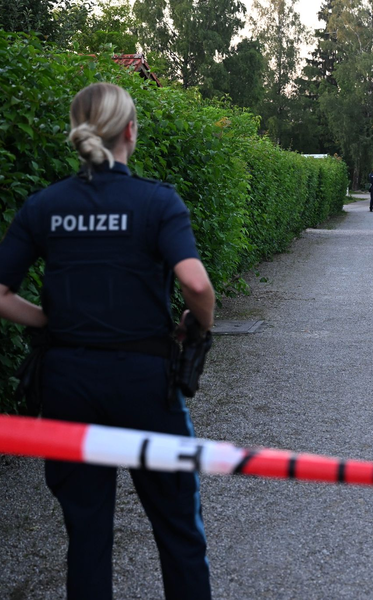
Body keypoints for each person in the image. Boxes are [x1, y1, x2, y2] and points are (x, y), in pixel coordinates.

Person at [0, 83, 215, 600]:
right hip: (146, 386)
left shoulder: (44, 205)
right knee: (178, 530)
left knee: (87, 533)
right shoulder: (156, 202)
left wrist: (47, 322)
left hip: (68, 385)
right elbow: (198, 283)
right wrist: (197, 323)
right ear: (130, 131)